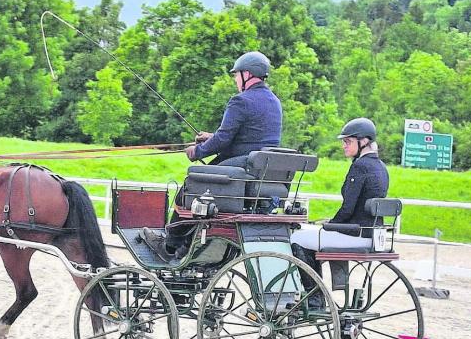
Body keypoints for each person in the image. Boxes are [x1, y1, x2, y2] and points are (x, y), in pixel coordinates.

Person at [141, 51, 282, 261]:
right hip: (260, 171)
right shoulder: (274, 102)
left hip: (240, 170)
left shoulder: (241, 101)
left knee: (190, 185)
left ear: (248, 74)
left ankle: (170, 245)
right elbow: (249, 137)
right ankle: (188, 244)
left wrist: (197, 151)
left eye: (236, 75)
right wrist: (210, 137)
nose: (235, 80)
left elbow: (223, 140)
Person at [290, 117, 389, 306]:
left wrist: (329, 225)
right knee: (313, 236)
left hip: (356, 234)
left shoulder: (360, 166)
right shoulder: (381, 167)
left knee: (296, 239)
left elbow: (347, 208)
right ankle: (317, 292)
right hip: (373, 233)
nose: (344, 146)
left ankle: (315, 296)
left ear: (364, 142)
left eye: (348, 141)